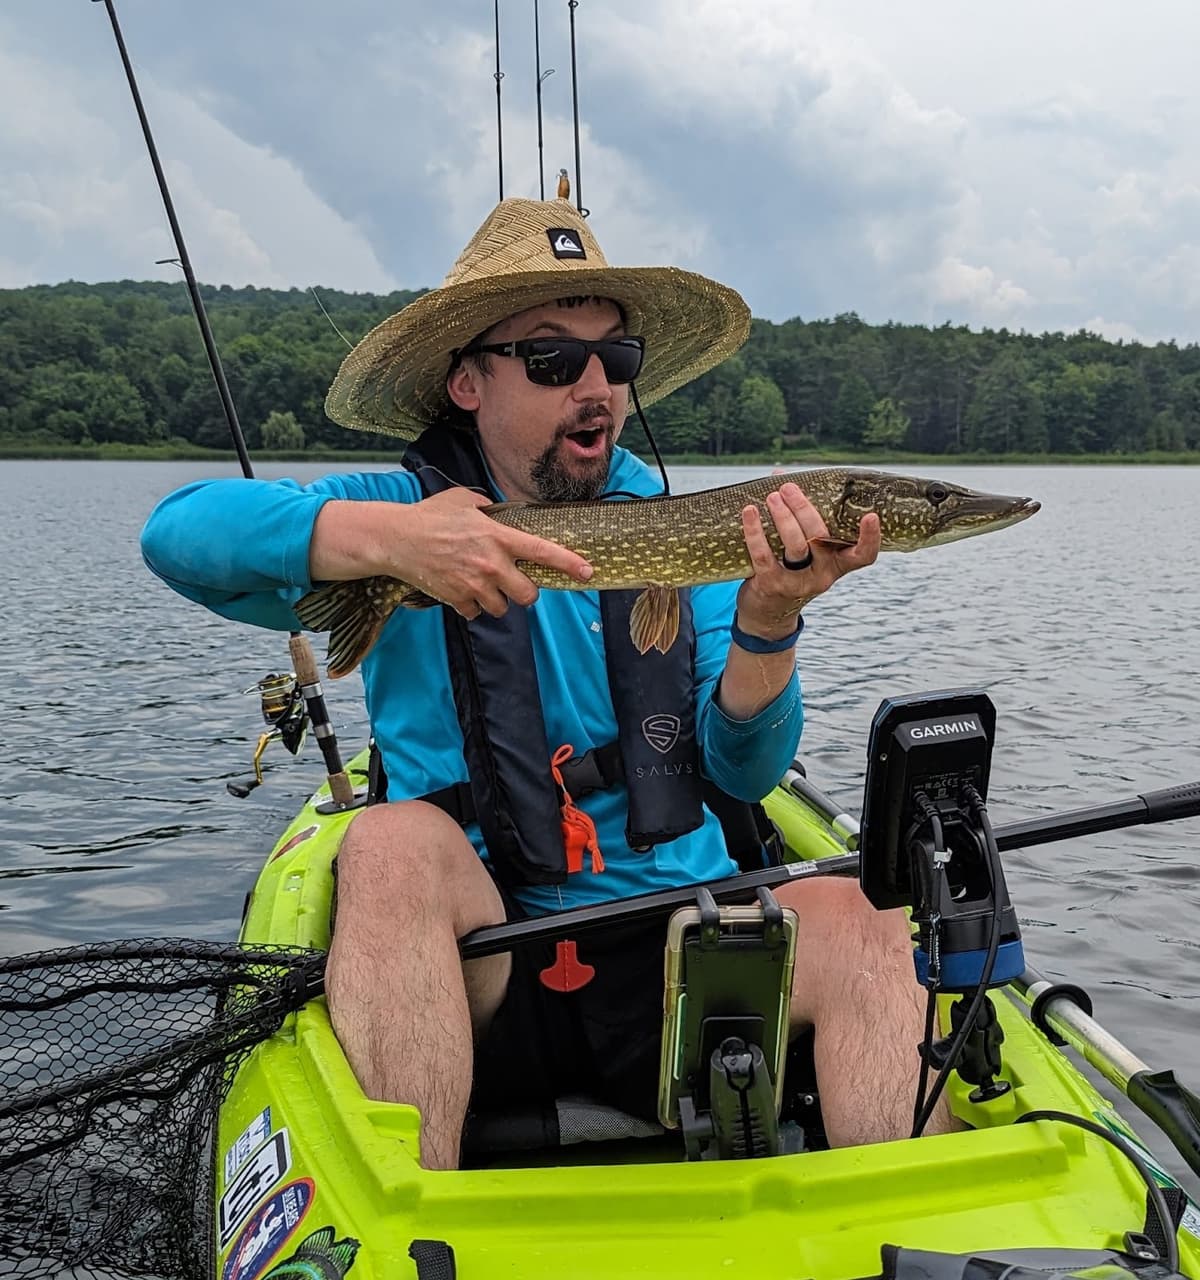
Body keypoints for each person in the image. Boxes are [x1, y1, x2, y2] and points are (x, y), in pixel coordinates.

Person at [142, 197, 953, 1170]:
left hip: (680, 949)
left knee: (870, 919)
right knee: (390, 844)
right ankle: (405, 1222)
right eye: (554, 359)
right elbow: (178, 534)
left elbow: (743, 770)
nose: (596, 384)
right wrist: (393, 541)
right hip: (483, 960)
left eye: (617, 359)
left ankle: (912, 1226)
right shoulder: (404, 509)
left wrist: (771, 614)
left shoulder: (680, 530)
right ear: (469, 381)